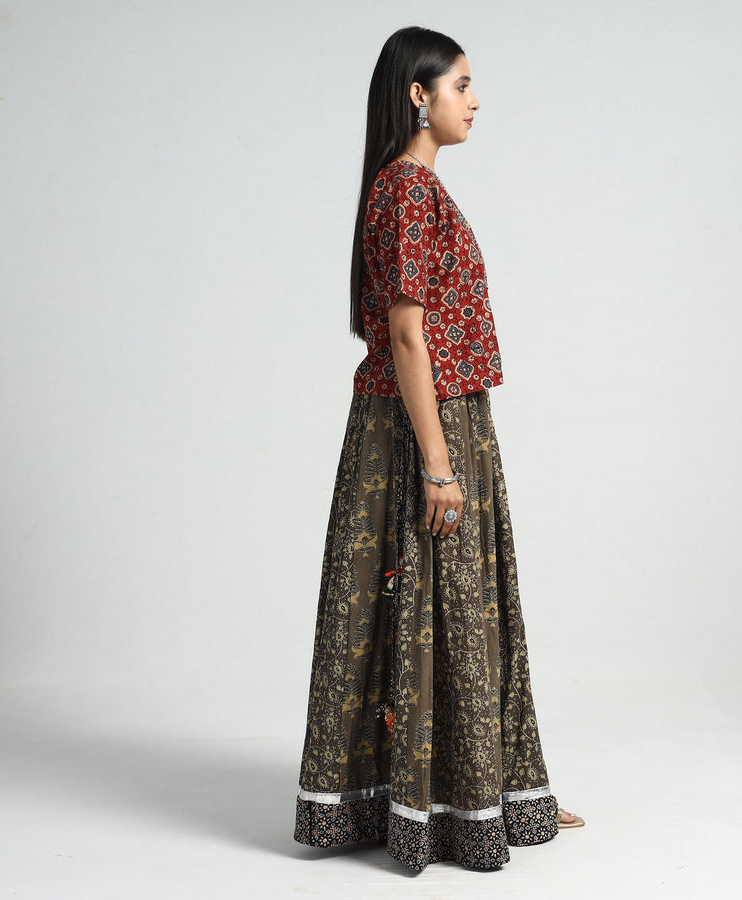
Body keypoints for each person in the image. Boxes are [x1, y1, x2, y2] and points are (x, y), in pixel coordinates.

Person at [293, 25, 584, 873]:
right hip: (425, 424)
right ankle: (447, 808)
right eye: (461, 85)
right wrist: (439, 464)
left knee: (454, 607)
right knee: (439, 605)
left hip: (438, 418)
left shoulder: (407, 189)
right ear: (419, 95)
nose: (475, 100)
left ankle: (494, 794)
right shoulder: (407, 190)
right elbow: (407, 335)